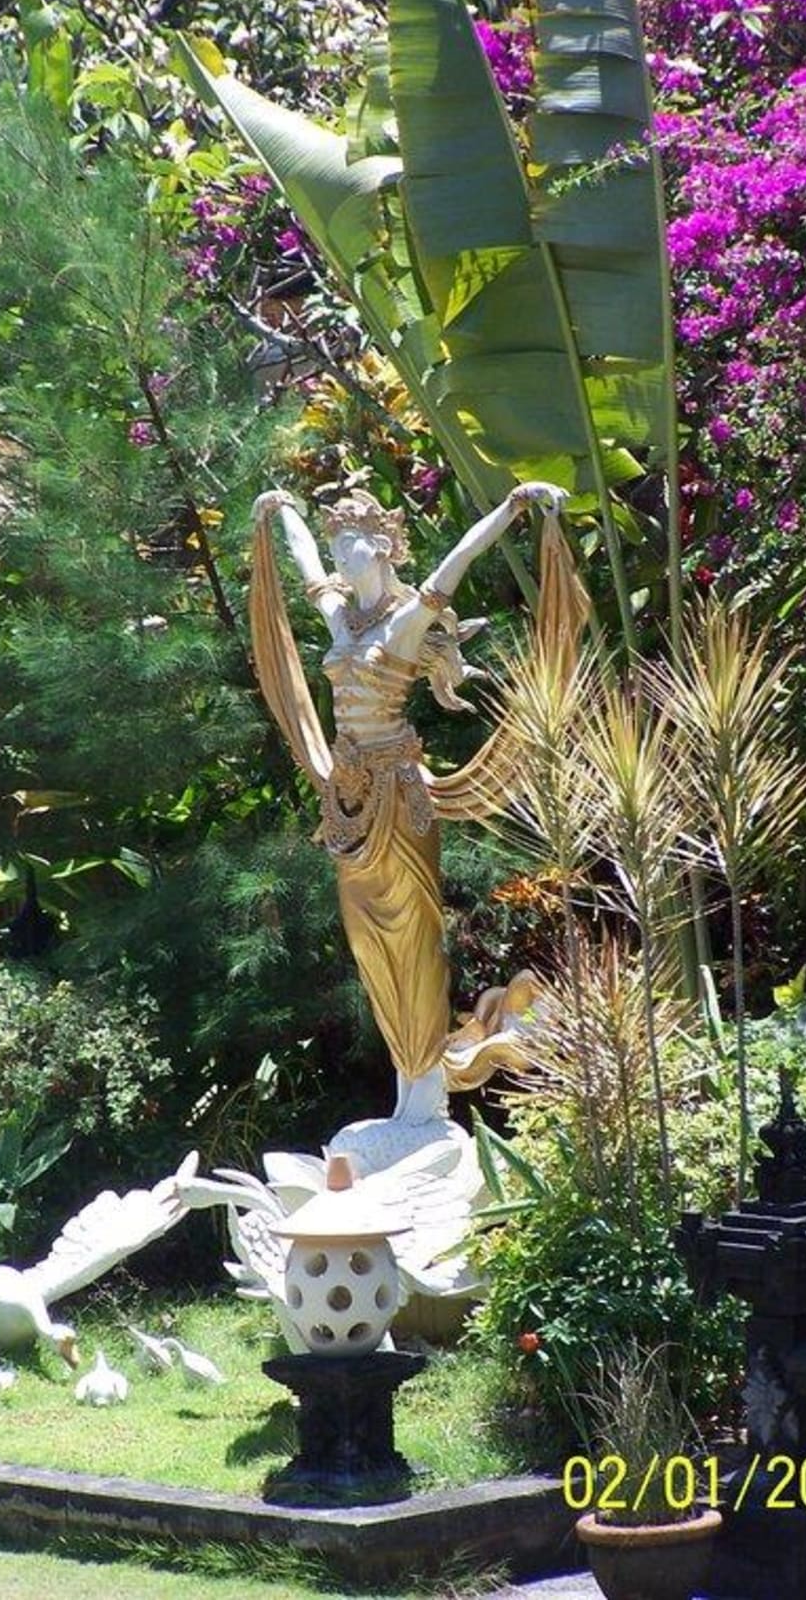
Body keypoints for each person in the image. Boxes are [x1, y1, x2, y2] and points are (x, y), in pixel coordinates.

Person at [249, 478, 588, 1132]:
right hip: (348, 799)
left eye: (349, 544)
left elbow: (458, 559)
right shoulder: (340, 617)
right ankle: (408, 1077)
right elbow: (306, 566)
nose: (338, 557)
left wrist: (511, 505)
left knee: (411, 937)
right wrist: (283, 510)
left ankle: (428, 1086)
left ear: (381, 548)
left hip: (400, 798)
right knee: (368, 941)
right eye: (335, 545)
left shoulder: (405, 623)